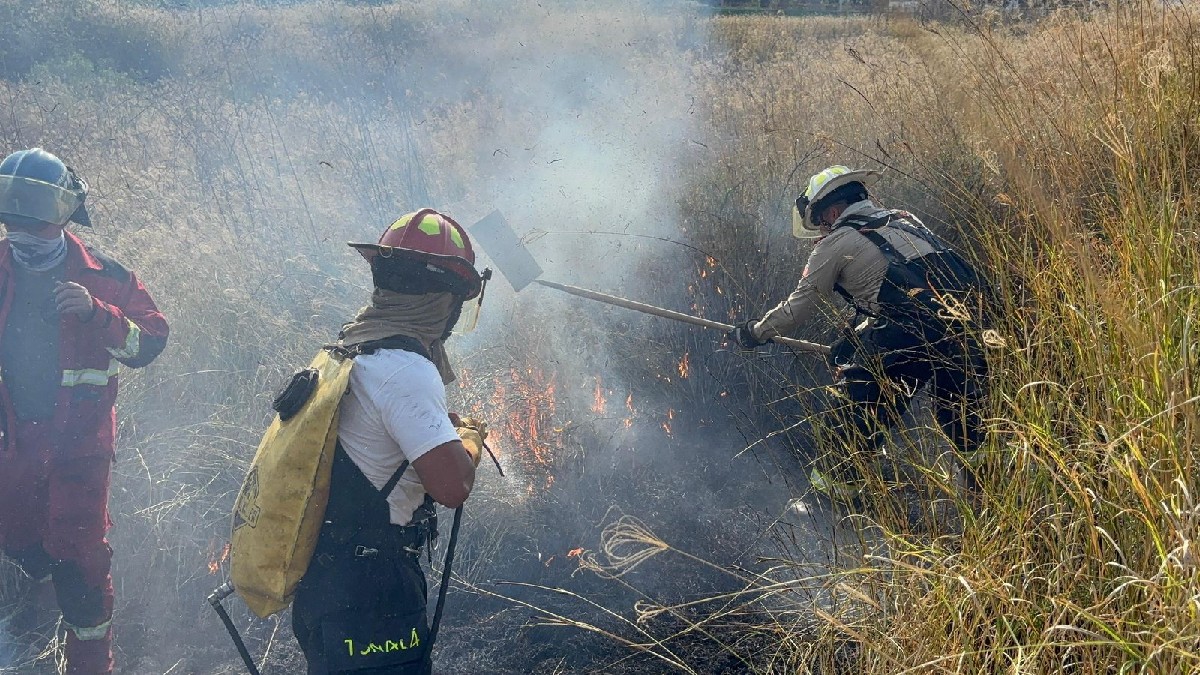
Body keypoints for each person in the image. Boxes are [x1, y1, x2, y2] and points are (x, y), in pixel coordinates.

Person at [291, 208, 488, 675]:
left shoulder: (350, 349)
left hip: (325, 582)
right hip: (371, 591)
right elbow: (452, 487)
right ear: (446, 299)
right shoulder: (405, 369)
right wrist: (468, 439)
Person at [0, 147, 169, 673]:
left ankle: (90, 660)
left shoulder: (106, 276)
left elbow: (150, 344)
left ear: (63, 218)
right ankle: (37, 610)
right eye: (12, 221)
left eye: (35, 223)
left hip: (80, 448)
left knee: (81, 566)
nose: (23, 234)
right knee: (21, 544)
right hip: (12, 445)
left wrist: (100, 315)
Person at [728, 165, 988, 502]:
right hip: (970, 326)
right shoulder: (904, 220)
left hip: (909, 335)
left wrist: (756, 332)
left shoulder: (838, 241)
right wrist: (856, 338)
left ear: (833, 211)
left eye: (822, 222)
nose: (822, 230)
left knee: (850, 424)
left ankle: (832, 508)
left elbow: (800, 307)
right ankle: (988, 497)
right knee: (963, 421)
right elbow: (911, 288)